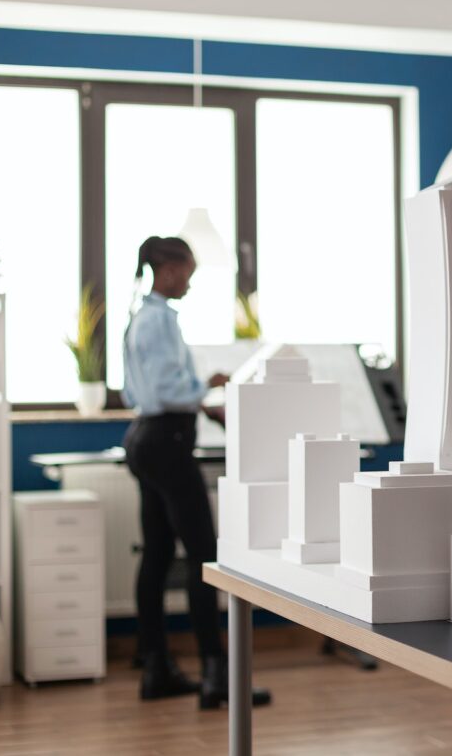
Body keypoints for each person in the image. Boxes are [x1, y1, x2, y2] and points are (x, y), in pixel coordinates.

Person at [122, 235, 270, 710]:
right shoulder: (160, 320)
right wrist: (206, 386)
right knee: (206, 556)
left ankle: (157, 670)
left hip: (148, 439)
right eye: (187, 272)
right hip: (167, 445)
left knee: (160, 553)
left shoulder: (139, 318)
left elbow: (140, 394)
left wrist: (204, 406)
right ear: (167, 271)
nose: (188, 281)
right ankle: (216, 676)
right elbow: (169, 390)